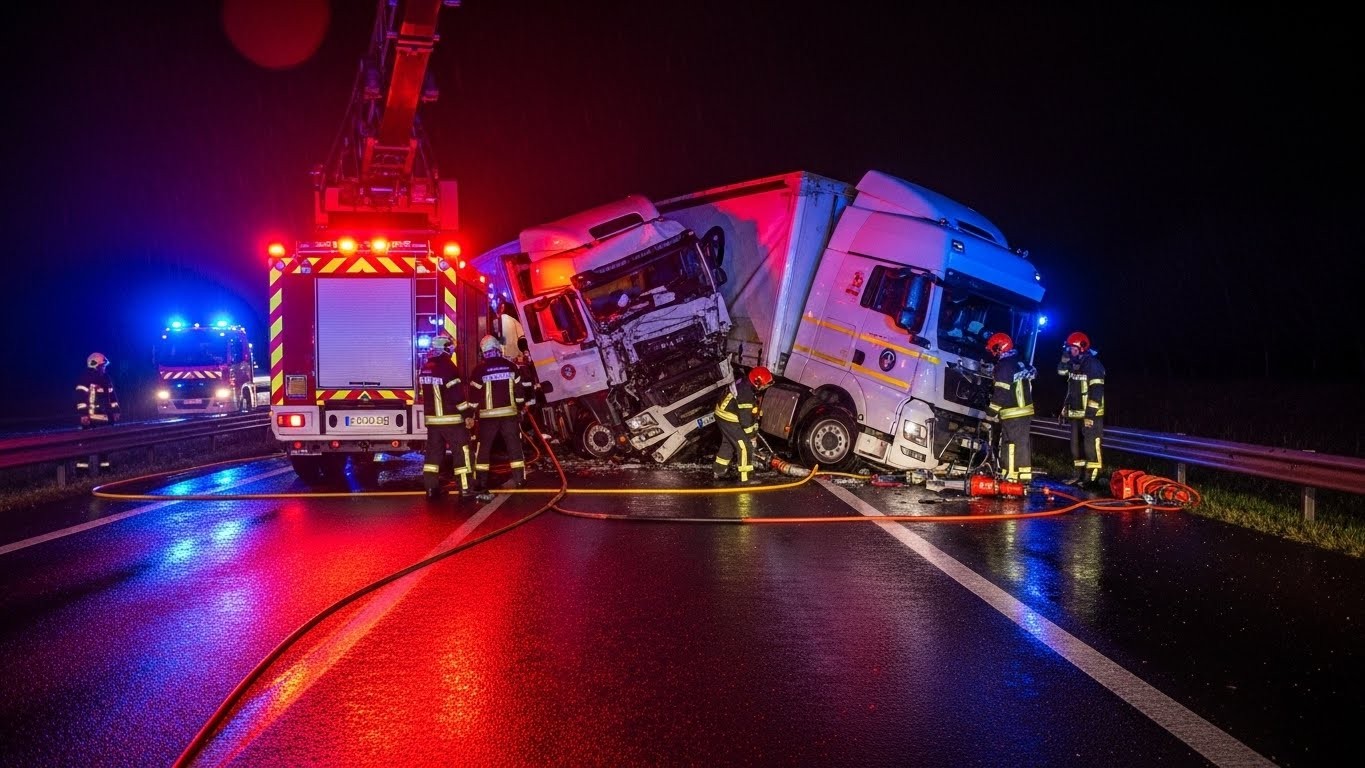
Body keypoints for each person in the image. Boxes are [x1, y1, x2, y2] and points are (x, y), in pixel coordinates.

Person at [468, 334, 528, 499]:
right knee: (514, 446)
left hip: (488, 418)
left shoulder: (479, 370)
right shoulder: (511, 366)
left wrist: (470, 414)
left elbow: (473, 397)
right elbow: (519, 391)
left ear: (483, 351)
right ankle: (520, 479)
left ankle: (481, 481)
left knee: (483, 449)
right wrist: (520, 408)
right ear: (498, 348)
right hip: (509, 415)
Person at [418, 333, 473, 501]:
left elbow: (423, 394)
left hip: (433, 421)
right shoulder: (449, 367)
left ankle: (431, 489)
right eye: (450, 348)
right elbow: (457, 396)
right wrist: (468, 414)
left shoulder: (426, 367)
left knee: (433, 455)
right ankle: (465, 489)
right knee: (461, 452)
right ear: (445, 349)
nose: (452, 351)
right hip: (451, 420)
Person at [1057, 331, 1106, 486]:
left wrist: (1090, 415)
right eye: (1069, 348)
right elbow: (1062, 373)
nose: (1070, 351)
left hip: (1090, 414)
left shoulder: (1093, 364)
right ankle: (1078, 475)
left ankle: (1092, 479)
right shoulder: (1073, 363)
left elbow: (1097, 391)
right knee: (1075, 447)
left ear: (1082, 348)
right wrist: (1064, 359)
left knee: (1090, 447)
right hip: (1076, 413)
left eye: (1072, 348)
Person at [986, 332, 1035, 482]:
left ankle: (1011, 477)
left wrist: (991, 412)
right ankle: (1023, 477)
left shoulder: (1004, 366)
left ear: (1001, 347)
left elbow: (1001, 392)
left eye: (995, 349)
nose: (994, 353)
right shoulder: (1019, 361)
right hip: (1024, 410)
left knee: (1010, 444)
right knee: (1021, 443)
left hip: (1013, 411)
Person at [713, 366, 772, 484]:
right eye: (764, 385)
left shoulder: (745, 383)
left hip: (723, 412)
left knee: (729, 442)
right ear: (757, 382)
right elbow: (745, 421)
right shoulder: (746, 394)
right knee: (744, 445)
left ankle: (719, 470)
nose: (765, 388)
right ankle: (746, 478)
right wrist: (752, 437)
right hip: (729, 416)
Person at [75, 351, 121, 472]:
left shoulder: (106, 378)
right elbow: (80, 399)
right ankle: (82, 472)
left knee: (104, 446)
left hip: (104, 418)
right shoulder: (85, 379)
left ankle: (105, 470)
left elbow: (112, 396)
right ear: (95, 365)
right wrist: (83, 415)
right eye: (102, 366)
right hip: (90, 419)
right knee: (86, 446)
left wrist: (116, 411)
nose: (104, 368)